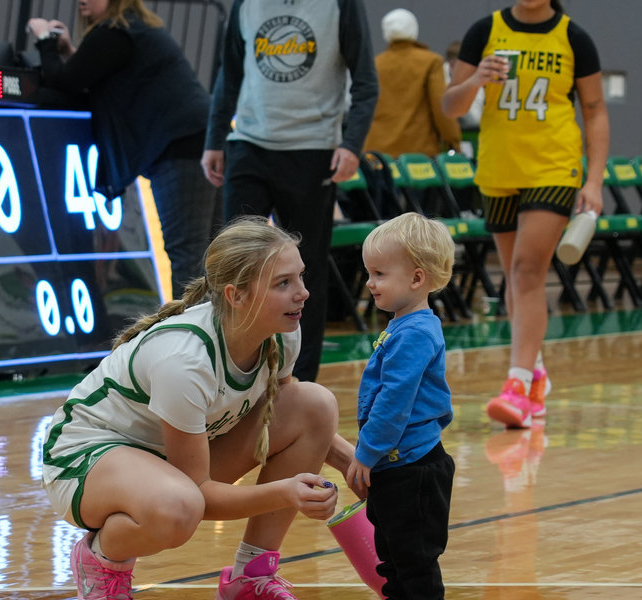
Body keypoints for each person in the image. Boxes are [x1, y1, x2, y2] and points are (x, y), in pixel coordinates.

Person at [42, 217, 358, 600]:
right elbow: (201, 495)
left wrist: (355, 464)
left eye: (300, 276)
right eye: (283, 283)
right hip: (84, 458)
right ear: (236, 295)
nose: (303, 292)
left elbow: (286, 411)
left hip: (170, 460)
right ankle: (101, 559)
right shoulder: (184, 361)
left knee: (314, 404)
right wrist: (286, 492)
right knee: (179, 507)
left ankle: (252, 580)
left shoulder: (282, 331)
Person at [443, 0, 608, 429]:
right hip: (499, 169)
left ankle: (516, 385)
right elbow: (451, 107)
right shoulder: (485, 31)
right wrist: (476, 79)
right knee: (516, 280)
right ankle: (535, 376)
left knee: (527, 271)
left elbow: (595, 111)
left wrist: (594, 180)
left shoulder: (573, 37)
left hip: (553, 167)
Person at [201, 0, 378, 383]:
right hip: (247, 145)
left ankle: (298, 381)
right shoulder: (246, 5)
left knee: (306, 269)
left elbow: (366, 80)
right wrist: (215, 138)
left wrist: (352, 144)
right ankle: (228, 374)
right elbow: (229, 74)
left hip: (312, 150)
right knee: (236, 263)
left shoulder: (340, 5)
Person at [28, 0, 217, 298]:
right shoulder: (135, 29)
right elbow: (95, 73)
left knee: (189, 255)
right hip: (202, 139)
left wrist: (43, 39)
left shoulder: (114, 32)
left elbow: (64, 83)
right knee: (211, 253)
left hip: (181, 145)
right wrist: (69, 52)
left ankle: (191, 328)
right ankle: (219, 326)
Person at [339, 212, 455, 600]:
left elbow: (395, 402)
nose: (370, 283)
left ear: (417, 278)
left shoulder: (415, 333)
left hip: (414, 466)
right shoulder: (403, 325)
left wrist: (366, 452)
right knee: (390, 546)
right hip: (396, 462)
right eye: (369, 273)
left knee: (414, 550)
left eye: (379, 274)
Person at [363, 9, 461, 160]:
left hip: (376, 153)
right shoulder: (430, 62)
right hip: (418, 153)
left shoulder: (374, 64)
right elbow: (441, 107)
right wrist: (453, 141)